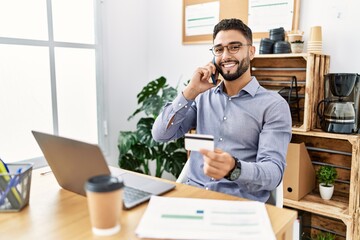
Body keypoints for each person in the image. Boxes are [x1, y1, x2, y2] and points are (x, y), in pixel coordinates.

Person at [152, 18, 292, 202]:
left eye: (234, 47)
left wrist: (234, 169)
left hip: (237, 202)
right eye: (219, 49)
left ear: (251, 52)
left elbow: (273, 173)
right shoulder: (202, 97)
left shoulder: (274, 106)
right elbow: (161, 134)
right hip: (192, 196)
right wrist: (190, 91)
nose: (225, 56)